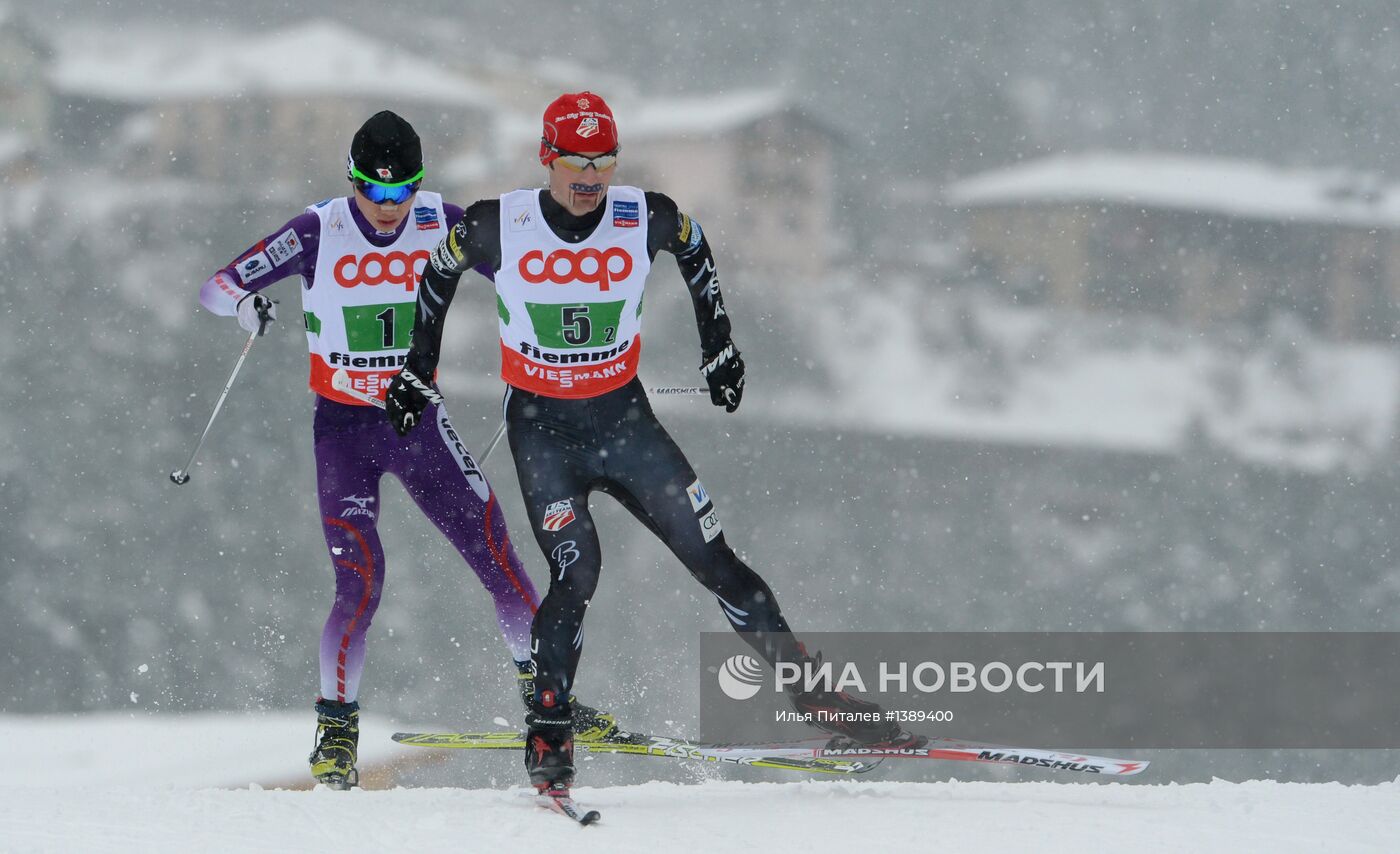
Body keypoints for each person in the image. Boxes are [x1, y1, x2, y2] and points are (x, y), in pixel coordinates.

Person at [385, 92, 919, 797]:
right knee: (577, 575)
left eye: (603, 161)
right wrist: (417, 367)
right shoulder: (497, 224)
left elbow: (694, 249)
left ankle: (815, 699)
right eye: (576, 161)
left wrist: (719, 346)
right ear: (549, 156)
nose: (590, 177)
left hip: (626, 428)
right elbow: (438, 273)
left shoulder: (646, 216)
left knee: (718, 563)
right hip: (545, 436)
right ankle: (549, 730)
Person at [196, 111, 594, 790]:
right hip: (344, 431)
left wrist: (555, 337)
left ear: (419, 184)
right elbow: (217, 288)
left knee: (495, 552)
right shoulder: (317, 229)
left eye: (402, 191)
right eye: (373, 193)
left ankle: (545, 699)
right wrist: (245, 310)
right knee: (360, 583)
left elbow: (531, 275)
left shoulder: (446, 221)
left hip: (417, 423)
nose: (388, 208)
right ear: (352, 182)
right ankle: (336, 730)